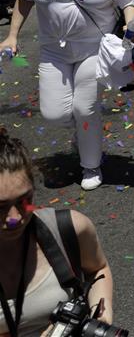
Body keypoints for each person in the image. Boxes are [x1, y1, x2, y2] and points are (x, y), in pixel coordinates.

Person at [0, 0, 134, 190]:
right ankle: (82, 132)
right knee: (55, 114)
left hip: (92, 49)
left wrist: (132, 22)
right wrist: (12, 35)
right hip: (54, 50)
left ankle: (90, 166)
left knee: (85, 106)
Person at [0, 128, 118, 334]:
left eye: (24, 200)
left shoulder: (69, 227)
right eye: (0, 207)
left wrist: (101, 318)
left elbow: (98, 270)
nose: (14, 218)